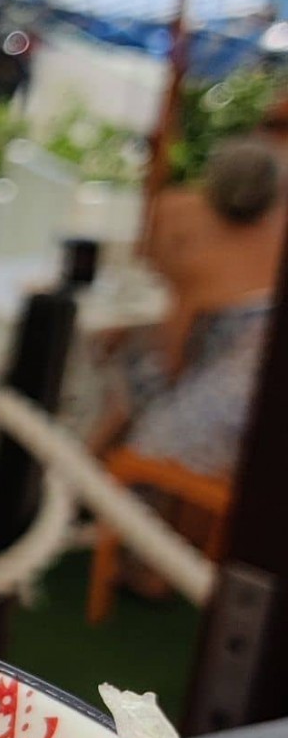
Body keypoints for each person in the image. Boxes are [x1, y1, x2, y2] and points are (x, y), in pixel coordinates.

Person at [102, 135, 284, 490]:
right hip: (221, 371)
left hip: (223, 387)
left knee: (145, 411)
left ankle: (100, 497)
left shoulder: (192, 230)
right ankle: (86, 483)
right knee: (134, 390)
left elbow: (173, 346)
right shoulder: (260, 233)